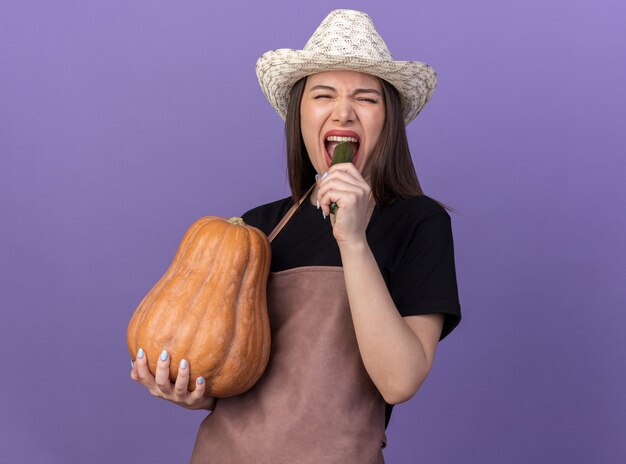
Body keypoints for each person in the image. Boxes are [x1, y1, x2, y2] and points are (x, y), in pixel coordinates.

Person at [130, 9, 461, 463]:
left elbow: (398, 381)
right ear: (300, 115)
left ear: (388, 120)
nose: (343, 111)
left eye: (366, 98)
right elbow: (241, 370)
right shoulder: (255, 229)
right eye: (322, 94)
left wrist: (353, 240)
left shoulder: (418, 223)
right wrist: (196, 392)